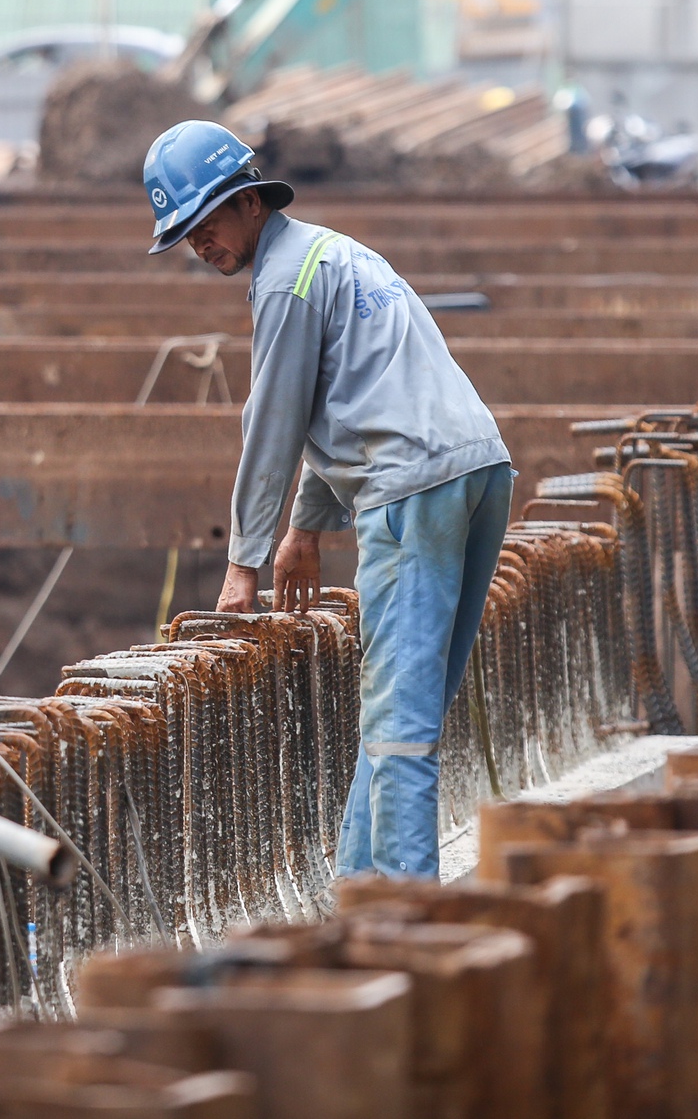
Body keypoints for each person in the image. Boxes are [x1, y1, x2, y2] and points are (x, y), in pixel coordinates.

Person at [140, 119, 513, 881]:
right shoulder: (336, 254)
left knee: (400, 734)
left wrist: (244, 565)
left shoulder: (283, 282)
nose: (199, 243)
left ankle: (404, 940)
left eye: (206, 221)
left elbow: (273, 422)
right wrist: (305, 529)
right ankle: (357, 893)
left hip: (412, 493)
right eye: (184, 233)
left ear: (248, 203)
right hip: (480, 471)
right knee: (399, 722)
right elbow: (353, 402)